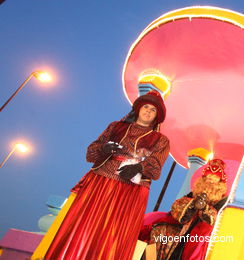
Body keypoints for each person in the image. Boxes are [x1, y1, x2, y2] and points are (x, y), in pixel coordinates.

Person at [45, 90, 170, 260]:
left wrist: (139, 168)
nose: (148, 111)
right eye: (146, 106)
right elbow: (90, 153)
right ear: (139, 108)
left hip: (131, 190)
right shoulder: (116, 126)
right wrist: (104, 149)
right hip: (100, 181)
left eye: (153, 110)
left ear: (157, 116)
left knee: (114, 232)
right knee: (84, 224)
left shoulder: (161, 140)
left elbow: (155, 168)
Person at [139, 159, 228, 260]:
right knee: (158, 230)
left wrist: (205, 209)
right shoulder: (193, 194)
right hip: (182, 224)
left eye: (213, 180)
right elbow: (177, 207)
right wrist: (192, 205)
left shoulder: (222, 202)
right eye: (207, 178)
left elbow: (219, 220)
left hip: (203, 230)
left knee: (196, 241)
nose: (210, 182)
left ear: (220, 184)